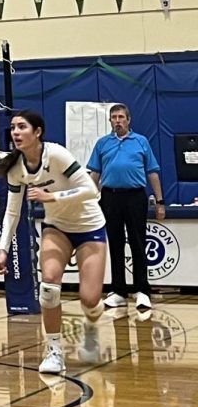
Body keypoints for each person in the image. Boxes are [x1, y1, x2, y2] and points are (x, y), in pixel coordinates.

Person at [0, 109, 107, 374]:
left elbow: (91, 191)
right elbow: (13, 212)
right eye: (13, 128)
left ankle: (91, 327)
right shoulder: (16, 169)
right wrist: (2, 250)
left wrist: (52, 198)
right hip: (56, 227)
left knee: (90, 299)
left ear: (38, 132)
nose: (16, 132)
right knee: (49, 288)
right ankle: (55, 351)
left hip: (89, 226)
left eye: (22, 127)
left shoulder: (56, 154)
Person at [87, 104, 164, 313]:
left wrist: (160, 201)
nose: (117, 121)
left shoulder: (141, 141)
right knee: (116, 244)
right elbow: (93, 174)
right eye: (114, 117)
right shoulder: (102, 144)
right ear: (110, 121)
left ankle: (142, 291)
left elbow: (153, 172)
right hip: (110, 198)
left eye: (121, 117)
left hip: (135, 197)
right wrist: (90, 198)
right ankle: (119, 291)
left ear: (128, 120)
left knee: (138, 244)